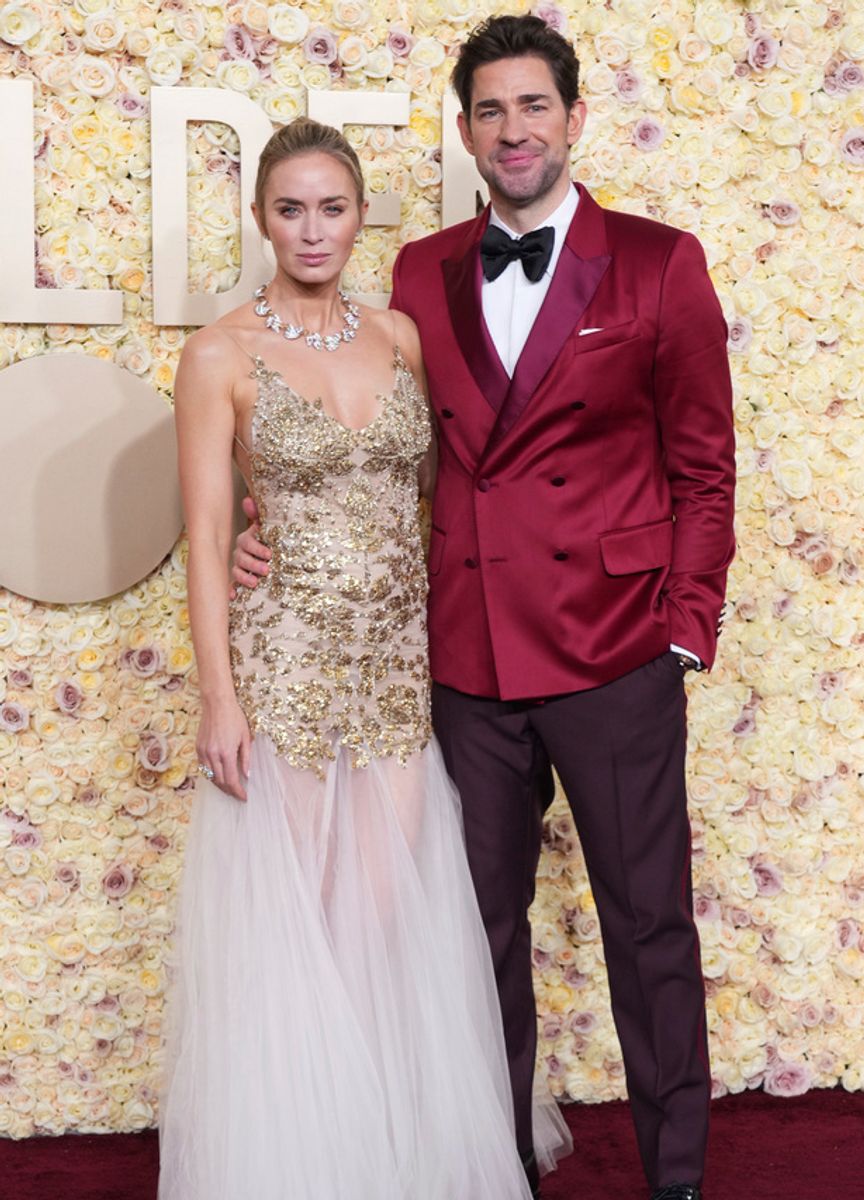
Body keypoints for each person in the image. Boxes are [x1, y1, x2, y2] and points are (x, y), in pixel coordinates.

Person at [233, 16, 736, 1200]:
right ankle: (493, 1162)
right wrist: (269, 528)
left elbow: (705, 466)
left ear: (573, 118)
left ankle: (678, 1177)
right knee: (477, 935)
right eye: (491, 112)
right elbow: (381, 444)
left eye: (534, 107)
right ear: (465, 133)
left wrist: (683, 628)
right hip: (463, 658)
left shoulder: (662, 261)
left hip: (615, 653)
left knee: (648, 928)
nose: (515, 131)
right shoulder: (420, 273)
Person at [157, 117, 566, 1200]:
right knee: (299, 922)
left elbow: (446, 494)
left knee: (387, 912)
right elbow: (205, 533)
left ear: (360, 215)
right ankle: (298, 1164)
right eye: (289, 208)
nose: (312, 228)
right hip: (283, 663)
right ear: (260, 219)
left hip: (394, 669)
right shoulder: (216, 354)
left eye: (332, 207)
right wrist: (218, 697)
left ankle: (387, 1150)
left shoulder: (400, 337)